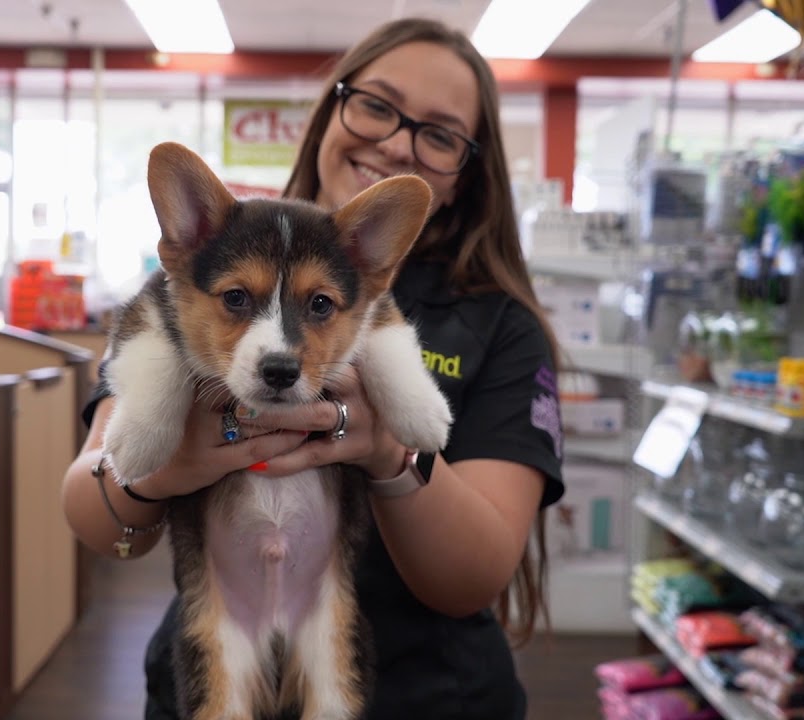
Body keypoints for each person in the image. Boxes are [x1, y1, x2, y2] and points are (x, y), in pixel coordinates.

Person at [61, 16, 565, 719]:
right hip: (214, 664)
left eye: (440, 133)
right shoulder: (190, 285)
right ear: (334, 106)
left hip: (430, 696)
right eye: (376, 105)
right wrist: (172, 465)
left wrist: (390, 452)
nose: (395, 141)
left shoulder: (504, 329)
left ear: (466, 171)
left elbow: (474, 577)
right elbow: (91, 513)